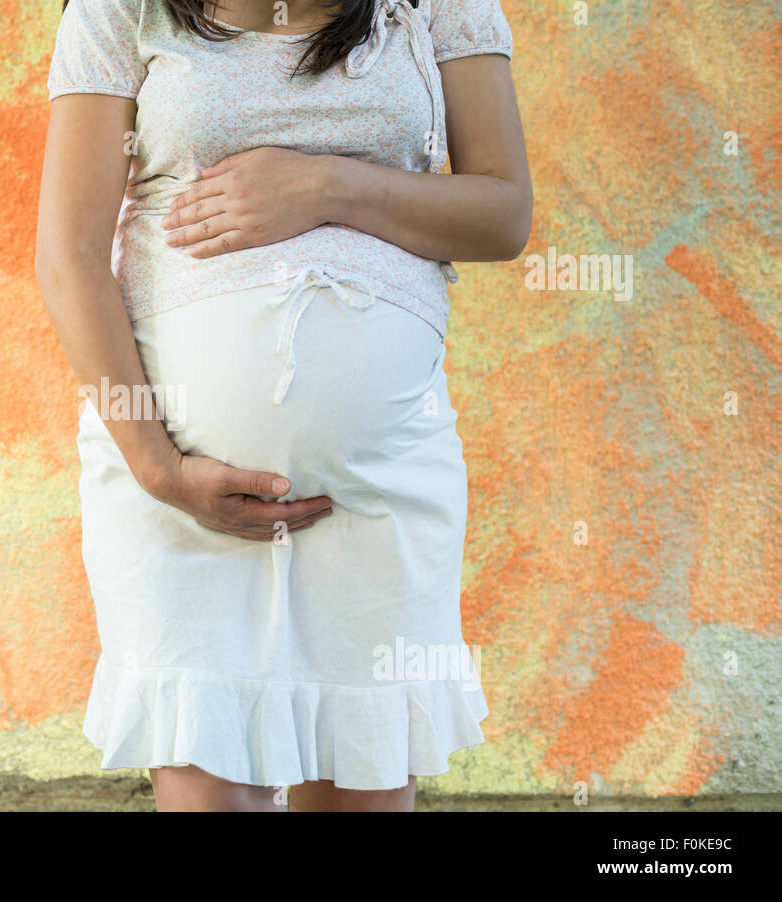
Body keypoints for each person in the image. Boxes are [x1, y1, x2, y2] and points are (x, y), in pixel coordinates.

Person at [34, 0, 532, 811]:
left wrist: (327, 186)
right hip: (176, 488)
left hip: (377, 486)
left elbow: (503, 214)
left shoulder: (441, 8)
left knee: (361, 782)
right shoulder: (118, 9)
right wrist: (159, 469)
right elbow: (70, 255)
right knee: (207, 791)